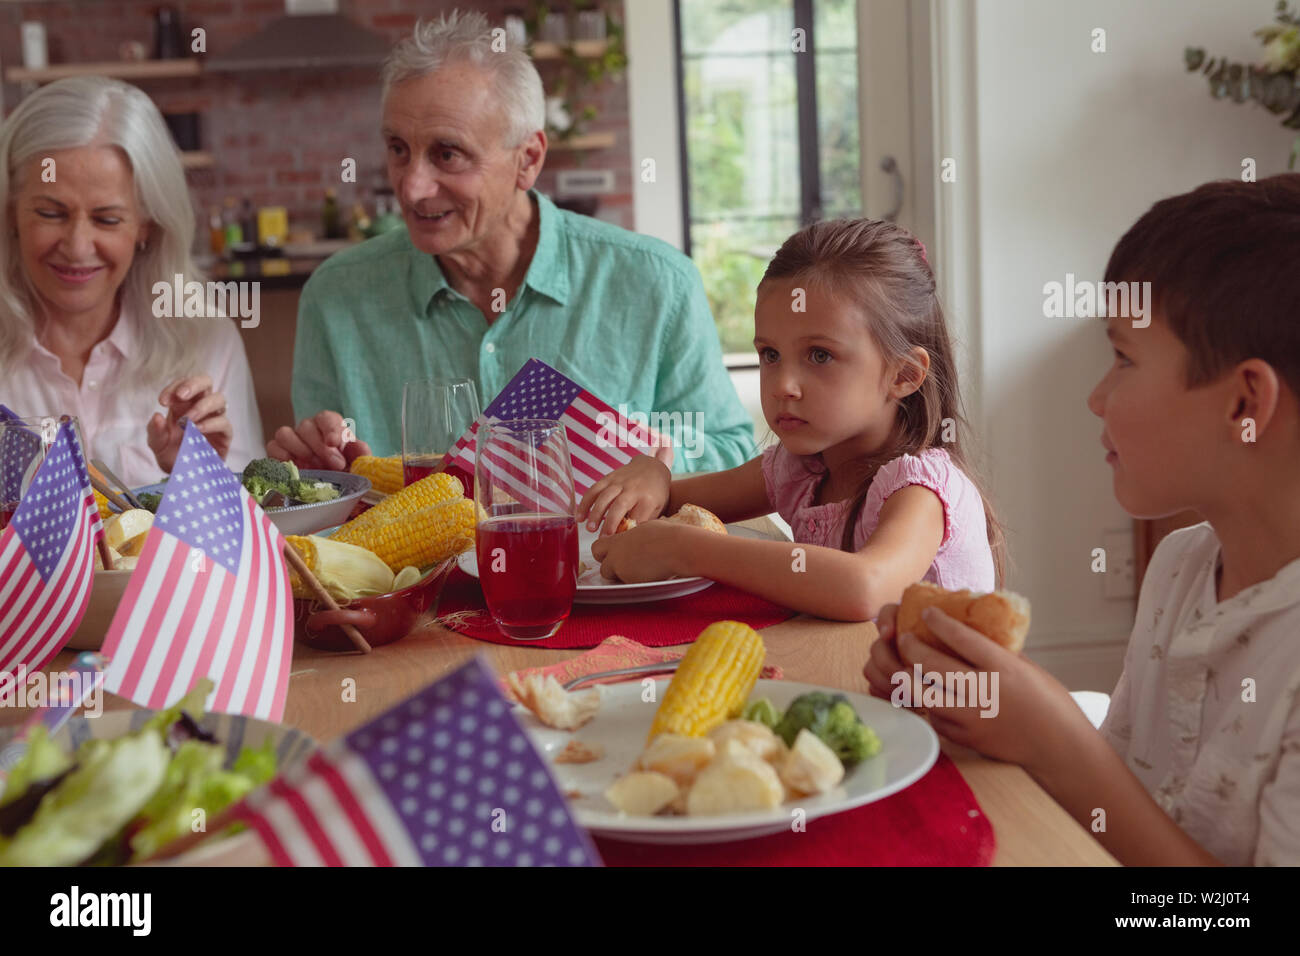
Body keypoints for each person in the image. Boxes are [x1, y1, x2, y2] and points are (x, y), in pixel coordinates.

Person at [865, 174, 1300, 866]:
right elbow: (1122, 808)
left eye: (1123, 359)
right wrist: (977, 714)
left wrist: (1053, 738)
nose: (1097, 397)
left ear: (1245, 405)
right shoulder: (1182, 566)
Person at [269, 11, 754, 475]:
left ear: (528, 160)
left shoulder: (658, 284)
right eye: (399, 149)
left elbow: (732, 452)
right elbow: (330, 499)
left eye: (447, 154)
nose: (412, 188)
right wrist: (319, 476)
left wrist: (634, 460)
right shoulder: (335, 297)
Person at [580, 217, 1005, 621]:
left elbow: (865, 587)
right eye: (770, 354)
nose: (783, 384)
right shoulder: (801, 467)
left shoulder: (921, 490)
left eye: (820, 355)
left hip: (928, 698)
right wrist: (654, 475)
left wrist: (687, 550)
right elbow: (676, 500)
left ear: (904, 375)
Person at [0, 76, 260, 488]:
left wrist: (195, 478)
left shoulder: (206, 340)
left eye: (107, 219)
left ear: (147, 227)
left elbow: (249, 534)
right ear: (10, 210)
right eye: (50, 213)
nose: (77, 246)